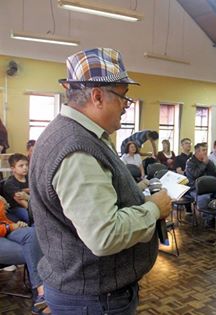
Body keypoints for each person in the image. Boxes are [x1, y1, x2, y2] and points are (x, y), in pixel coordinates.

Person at [29, 48, 172, 314]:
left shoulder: (81, 136)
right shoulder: (76, 149)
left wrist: (138, 191)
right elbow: (104, 235)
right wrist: (153, 210)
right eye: (123, 98)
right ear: (97, 96)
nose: (126, 107)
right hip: (95, 298)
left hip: (91, 291)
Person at [0, 198, 50, 314]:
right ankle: (42, 292)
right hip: (4, 231)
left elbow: (4, 218)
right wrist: (8, 227)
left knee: (34, 234)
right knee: (34, 251)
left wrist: (14, 224)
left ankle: (43, 295)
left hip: (7, 228)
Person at [185, 142, 216, 224]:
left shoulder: (208, 162)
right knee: (205, 198)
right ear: (197, 152)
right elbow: (195, 175)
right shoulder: (190, 162)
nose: (205, 152)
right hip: (196, 189)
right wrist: (204, 164)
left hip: (211, 188)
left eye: (206, 150)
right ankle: (208, 219)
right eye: (203, 150)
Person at [3, 153, 30, 223]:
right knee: (30, 216)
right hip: (17, 208)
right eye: (21, 166)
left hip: (32, 203)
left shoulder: (30, 178)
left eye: (27, 165)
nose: (25, 167)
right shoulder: (10, 183)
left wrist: (28, 196)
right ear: (13, 169)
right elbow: (24, 204)